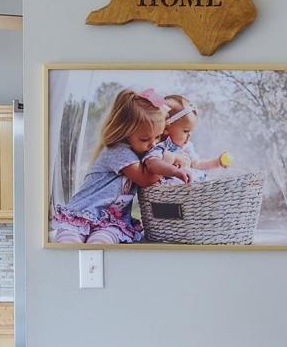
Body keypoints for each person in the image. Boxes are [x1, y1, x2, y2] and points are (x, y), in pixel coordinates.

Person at [50, 88, 192, 243]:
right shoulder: (117, 151)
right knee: (69, 241)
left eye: (157, 137)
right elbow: (146, 179)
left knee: (102, 242)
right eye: (145, 139)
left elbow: (154, 165)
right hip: (83, 213)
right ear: (125, 132)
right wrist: (170, 163)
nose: (152, 144)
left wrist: (172, 161)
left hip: (112, 222)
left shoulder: (143, 152)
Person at [143, 95, 232, 182]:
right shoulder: (160, 147)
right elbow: (153, 164)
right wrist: (173, 158)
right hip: (173, 189)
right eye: (185, 131)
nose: (189, 135)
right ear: (166, 128)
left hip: (193, 187)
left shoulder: (187, 147)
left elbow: (197, 164)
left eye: (191, 131)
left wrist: (217, 162)